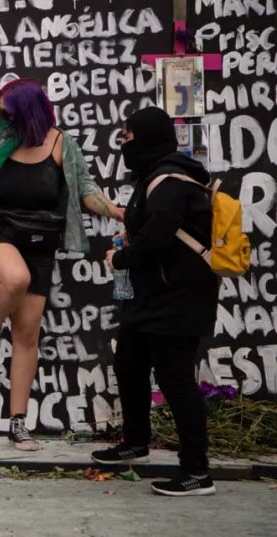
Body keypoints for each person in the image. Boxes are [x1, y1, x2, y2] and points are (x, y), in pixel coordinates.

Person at [0, 78, 123, 450]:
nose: (0, 119)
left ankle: (17, 423)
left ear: (30, 114)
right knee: (14, 278)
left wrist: (114, 211)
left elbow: (86, 188)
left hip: (40, 241)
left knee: (28, 334)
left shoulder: (63, 144)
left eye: (8, 114)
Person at [91, 107, 218, 497]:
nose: (124, 145)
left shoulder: (169, 181)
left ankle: (197, 471)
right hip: (154, 297)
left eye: (127, 137)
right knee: (129, 364)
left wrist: (120, 259)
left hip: (177, 298)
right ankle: (135, 441)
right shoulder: (157, 177)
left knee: (176, 380)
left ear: (147, 138)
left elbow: (159, 236)